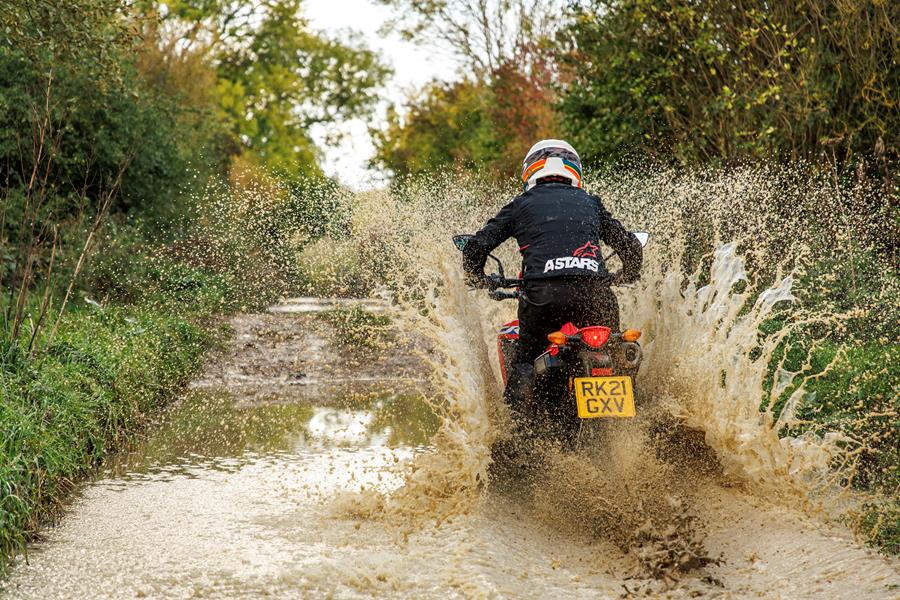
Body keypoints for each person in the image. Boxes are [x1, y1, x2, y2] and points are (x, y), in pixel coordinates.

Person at [461, 139, 643, 417]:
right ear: (576, 171)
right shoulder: (591, 203)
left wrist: (477, 278)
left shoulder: (521, 205)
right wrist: (625, 274)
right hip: (597, 295)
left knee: (526, 359)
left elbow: (475, 247)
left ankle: (516, 434)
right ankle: (632, 419)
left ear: (530, 171)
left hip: (544, 298)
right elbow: (631, 246)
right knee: (616, 352)